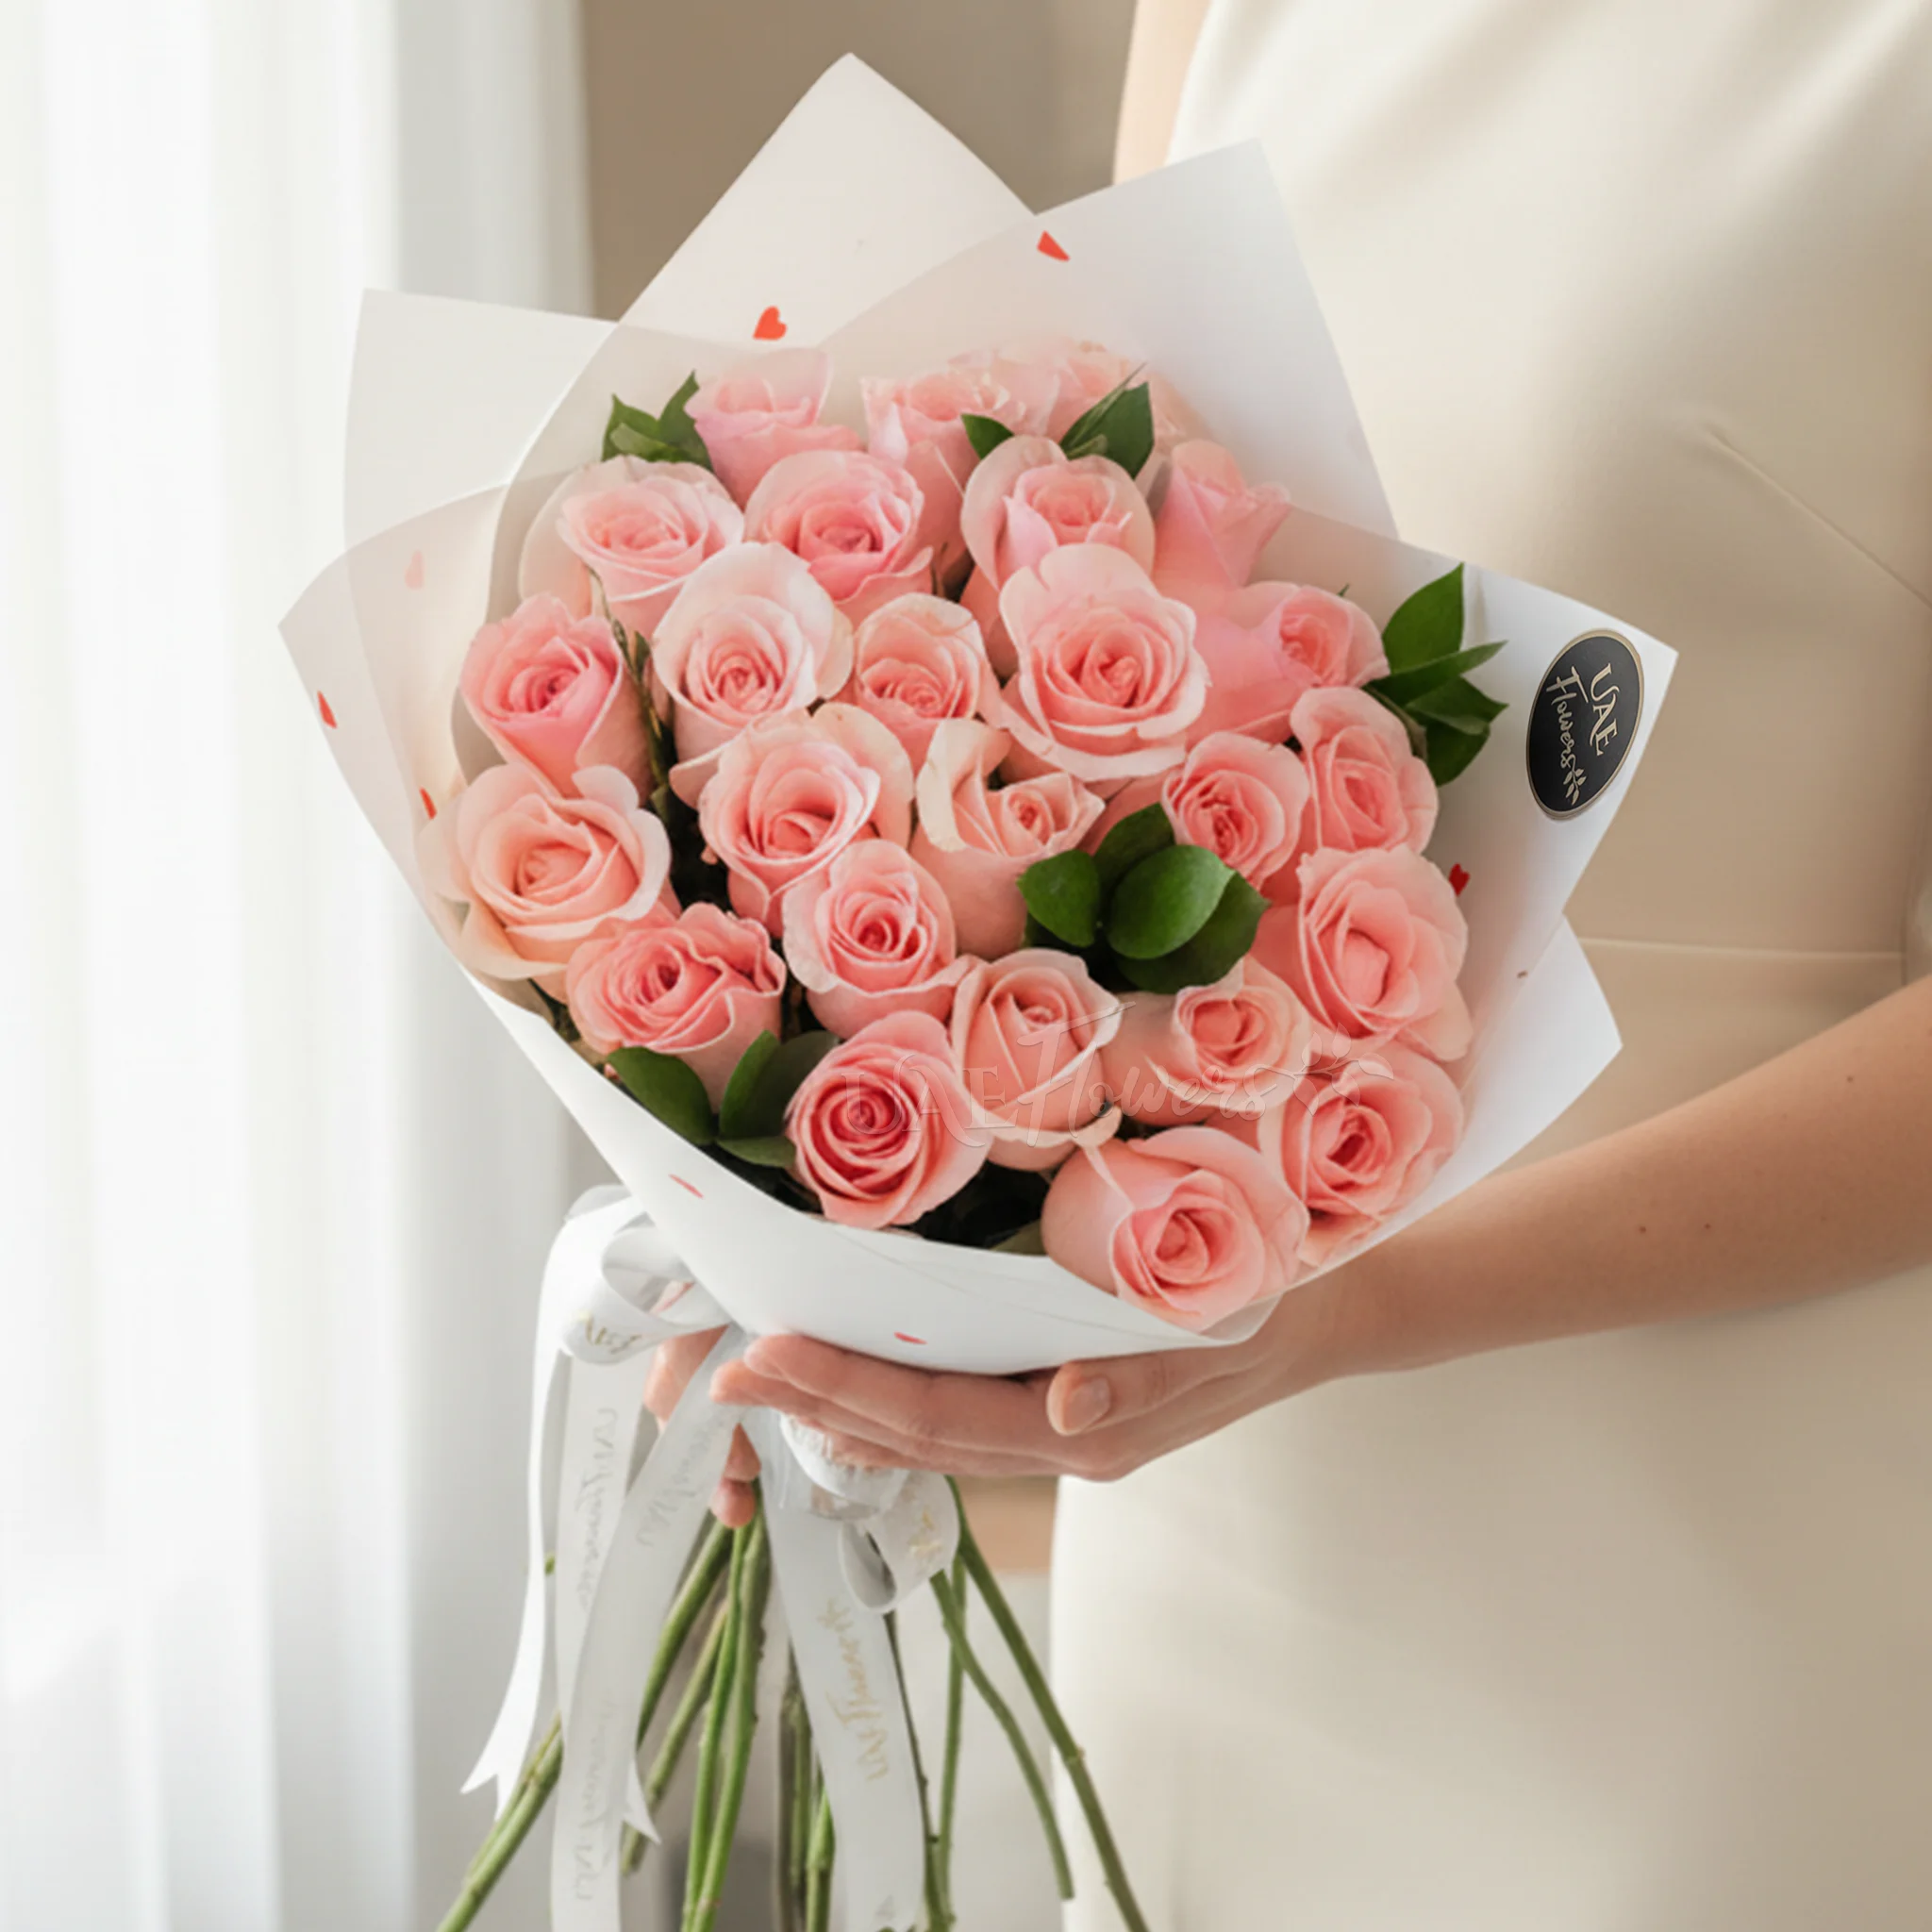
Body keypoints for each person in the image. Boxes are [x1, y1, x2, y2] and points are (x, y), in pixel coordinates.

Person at [655, 3, 1932, 1921]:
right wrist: (816, 1198)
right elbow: (1087, 566)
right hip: (1222, 1517)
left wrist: (1344, 1310)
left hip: (1702, 1541)